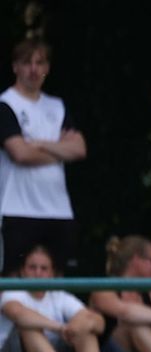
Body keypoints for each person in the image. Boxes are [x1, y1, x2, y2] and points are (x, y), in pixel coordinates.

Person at [0, 38, 86, 275]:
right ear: (15, 66)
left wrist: (40, 144)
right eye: (27, 63)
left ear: (47, 68)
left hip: (59, 210)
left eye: (40, 62)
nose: (34, 69)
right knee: (13, 283)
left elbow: (79, 149)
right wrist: (60, 151)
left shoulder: (57, 106)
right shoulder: (5, 104)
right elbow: (20, 153)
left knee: (60, 285)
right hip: (17, 209)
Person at [0, 245, 109, 352]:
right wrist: (59, 328)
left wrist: (76, 327)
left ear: (52, 273)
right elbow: (18, 313)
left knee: (85, 326)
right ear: (23, 271)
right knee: (28, 327)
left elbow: (98, 322)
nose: (38, 273)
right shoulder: (13, 293)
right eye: (32, 267)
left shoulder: (59, 296)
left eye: (44, 268)